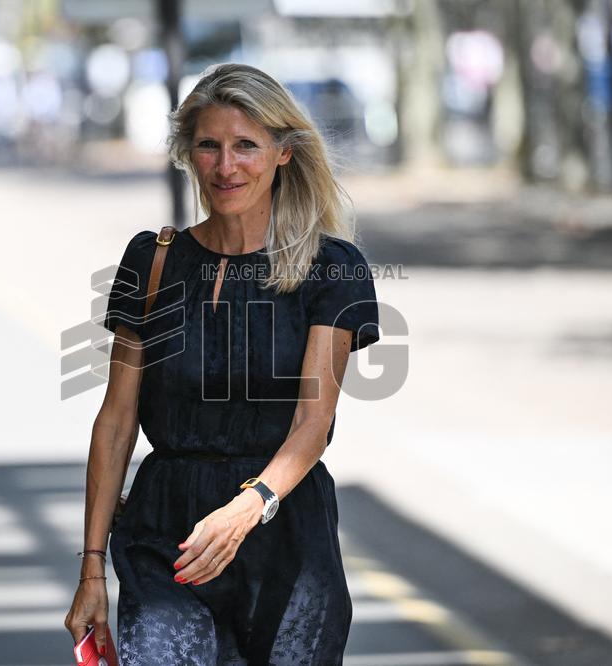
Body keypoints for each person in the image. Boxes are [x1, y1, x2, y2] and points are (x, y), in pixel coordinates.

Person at [65, 63, 380, 665]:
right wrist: (91, 569)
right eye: (209, 145)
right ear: (188, 153)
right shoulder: (151, 261)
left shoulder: (331, 267)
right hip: (167, 535)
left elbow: (313, 424)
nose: (226, 166)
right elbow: (116, 420)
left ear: (283, 153)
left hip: (285, 535)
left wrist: (246, 508)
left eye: (246, 146)